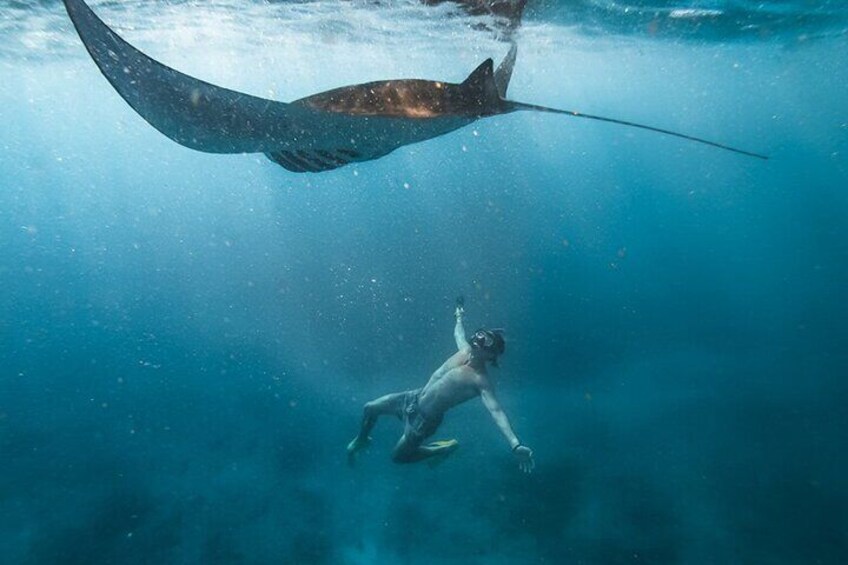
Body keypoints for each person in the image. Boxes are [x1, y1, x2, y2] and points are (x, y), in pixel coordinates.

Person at [346, 300, 535, 473]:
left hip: (423, 422)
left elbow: (496, 411)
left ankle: (445, 448)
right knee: (370, 408)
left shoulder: (479, 380)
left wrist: (515, 444)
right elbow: (458, 333)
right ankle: (362, 439)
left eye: (485, 341)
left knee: (398, 457)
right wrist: (458, 316)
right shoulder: (465, 351)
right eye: (480, 335)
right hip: (412, 399)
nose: (478, 339)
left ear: (491, 355)